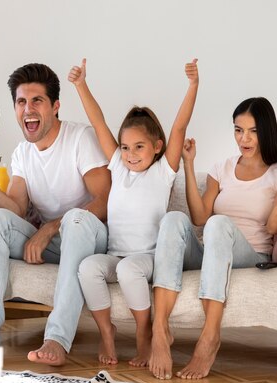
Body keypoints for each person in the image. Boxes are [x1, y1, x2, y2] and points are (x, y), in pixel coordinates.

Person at [0, 63, 111, 366]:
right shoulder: (23, 153)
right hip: (56, 245)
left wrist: (50, 228)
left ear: (55, 106)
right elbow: (14, 209)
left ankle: (57, 338)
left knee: (76, 220)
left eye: (37, 100)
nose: (28, 109)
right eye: (21, 102)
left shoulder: (79, 138)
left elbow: (106, 199)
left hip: (90, 238)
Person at [149, 97, 277, 380]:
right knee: (173, 219)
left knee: (218, 225)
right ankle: (159, 331)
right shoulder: (222, 168)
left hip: (251, 254)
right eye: (238, 130)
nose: (244, 138)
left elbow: (275, 225)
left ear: (267, 131)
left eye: (252, 131)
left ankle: (210, 337)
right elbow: (199, 218)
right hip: (213, 248)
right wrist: (189, 166)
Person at [67, 58, 199, 366]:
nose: (129, 154)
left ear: (157, 146)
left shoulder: (164, 171)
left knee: (129, 270)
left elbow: (179, 125)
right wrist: (80, 84)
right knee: (88, 267)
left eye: (139, 147)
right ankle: (106, 332)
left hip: (149, 258)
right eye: (125, 147)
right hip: (117, 254)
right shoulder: (117, 167)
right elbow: (98, 122)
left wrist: (193, 85)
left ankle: (144, 334)